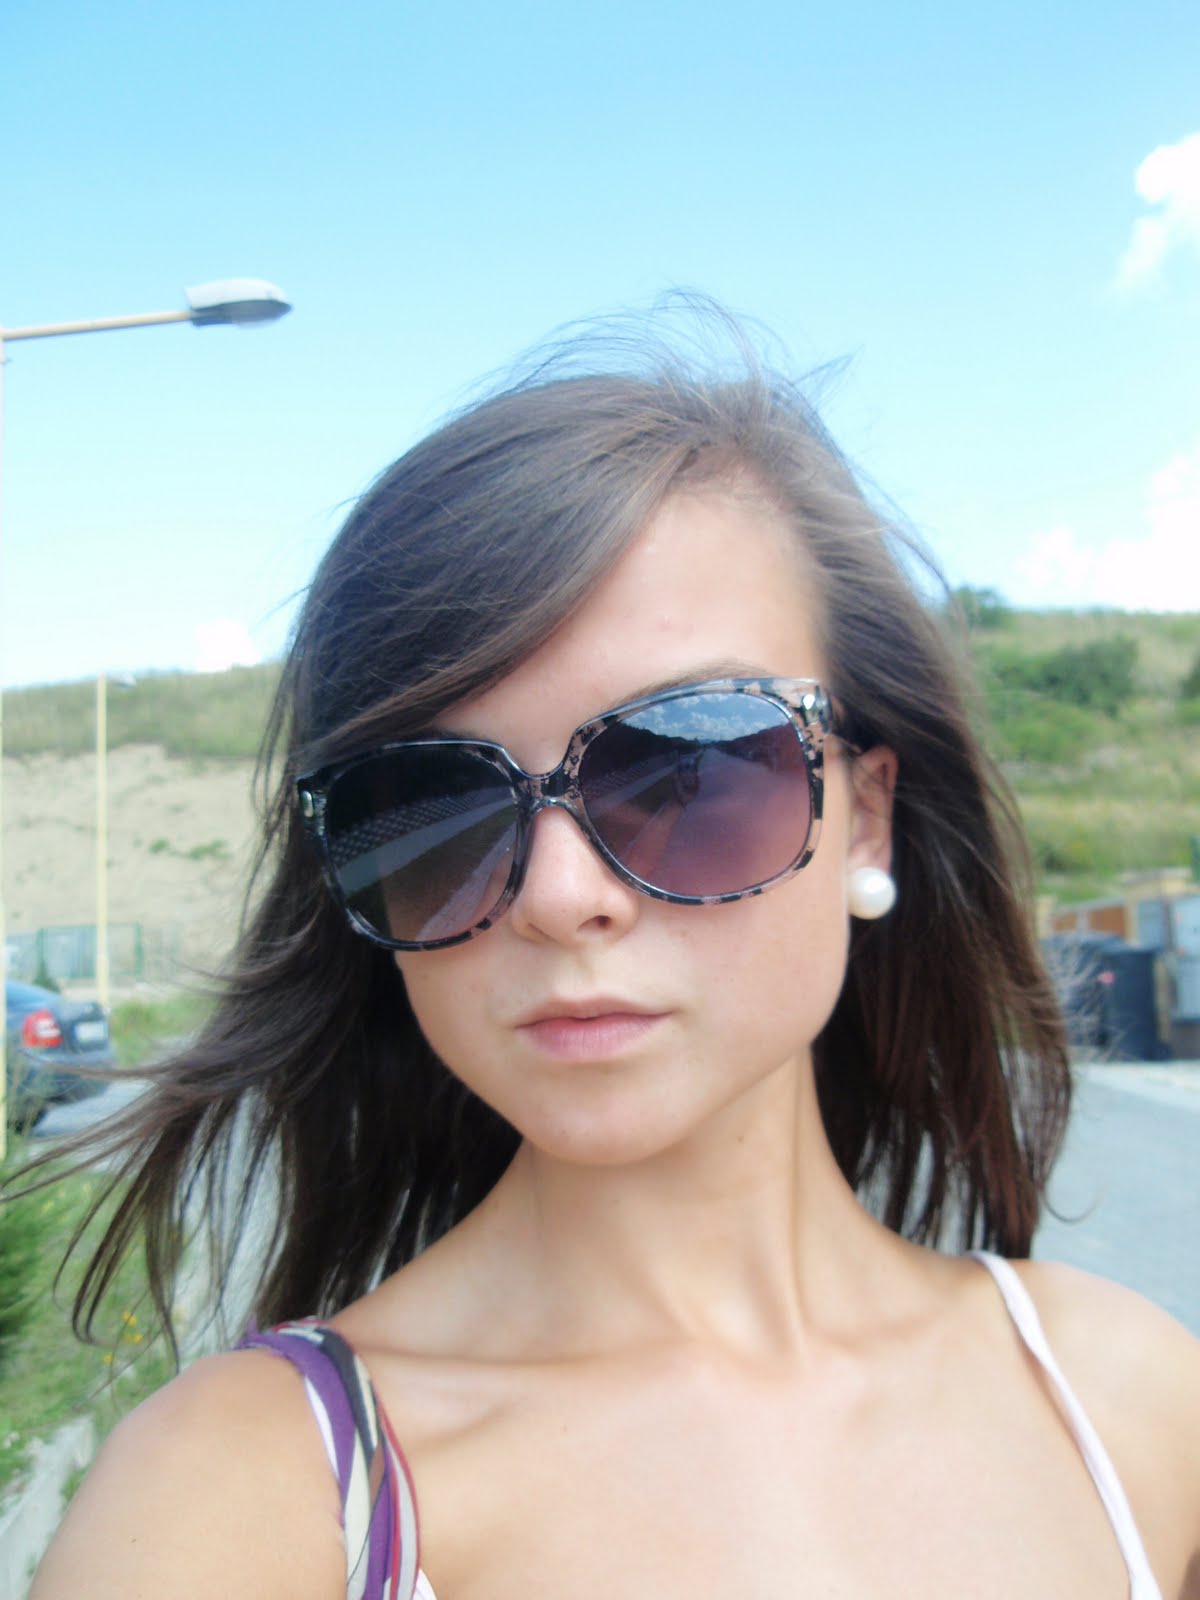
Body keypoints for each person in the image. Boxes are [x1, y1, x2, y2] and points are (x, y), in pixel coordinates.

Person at [29, 312, 1200, 1599]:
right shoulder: (236, 1503)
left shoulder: (1132, 1410)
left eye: (689, 766)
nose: (557, 896)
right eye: (432, 811)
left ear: (864, 816)